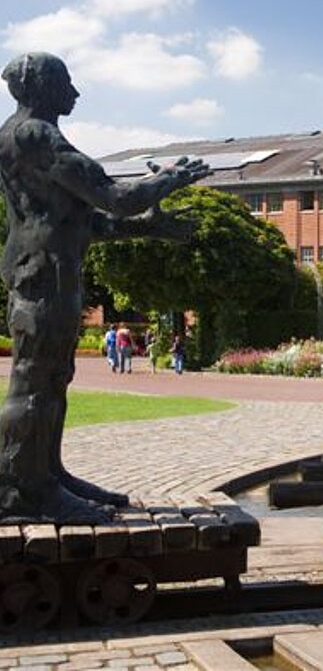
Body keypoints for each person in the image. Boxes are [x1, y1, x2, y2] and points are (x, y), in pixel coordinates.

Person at [0, 52, 208, 523]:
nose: (74, 93)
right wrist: (171, 178)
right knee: (35, 380)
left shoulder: (20, 136)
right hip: (44, 272)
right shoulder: (35, 135)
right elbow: (115, 197)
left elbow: (79, 222)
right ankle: (21, 489)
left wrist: (149, 228)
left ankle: (46, 473)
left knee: (53, 377)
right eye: (65, 83)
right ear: (41, 87)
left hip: (45, 266)